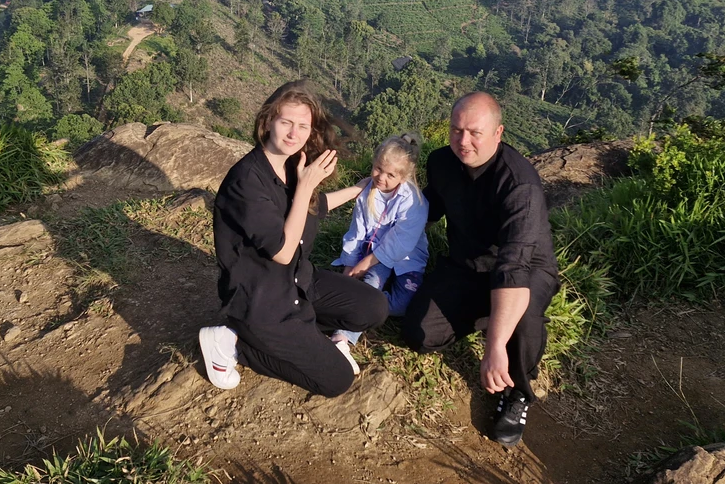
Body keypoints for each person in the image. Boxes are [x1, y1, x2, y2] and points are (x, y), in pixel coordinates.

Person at [199, 81, 389, 397]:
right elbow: (284, 251)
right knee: (337, 379)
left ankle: (301, 335)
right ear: (267, 122)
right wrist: (305, 186)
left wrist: (360, 188)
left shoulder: (291, 164)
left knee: (373, 307)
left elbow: (312, 207)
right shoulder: (247, 181)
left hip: (298, 281)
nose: (293, 133)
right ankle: (234, 342)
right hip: (262, 301)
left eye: (302, 126)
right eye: (285, 122)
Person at [402, 92, 559, 447]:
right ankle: (491, 314)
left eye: (475, 132)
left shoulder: (519, 184)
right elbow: (428, 209)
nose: (463, 141)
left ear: (498, 133)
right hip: (467, 264)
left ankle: (518, 392)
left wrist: (495, 345)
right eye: (456, 130)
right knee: (420, 334)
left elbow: (514, 265)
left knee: (523, 318)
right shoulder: (442, 162)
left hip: (526, 268)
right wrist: (382, 243)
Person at [328, 133, 429, 373]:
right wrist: (349, 265)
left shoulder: (414, 202)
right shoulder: (367, 193)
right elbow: (356, 231)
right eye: (378, 169)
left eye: (390, 175)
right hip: (374, 254)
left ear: (404, 176)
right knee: (370, 285)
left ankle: (358, 305)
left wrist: (363, 265)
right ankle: (341, 338)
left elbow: (399, 245)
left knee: (403, 304)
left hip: (404, 259)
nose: (381, 177)